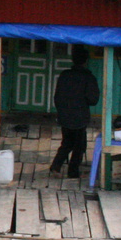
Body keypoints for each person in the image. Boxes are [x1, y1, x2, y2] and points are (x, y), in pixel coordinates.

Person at [49, 47, 102, 181]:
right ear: (86, 61)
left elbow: (57, 97)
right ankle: (72, 172)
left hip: (65, 116)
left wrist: (61, 112)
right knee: (80, 146)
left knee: (67, 143)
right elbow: (93, 99)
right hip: (79, 117)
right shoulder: (88, 77)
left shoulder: (64, 75)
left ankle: (56, 166)